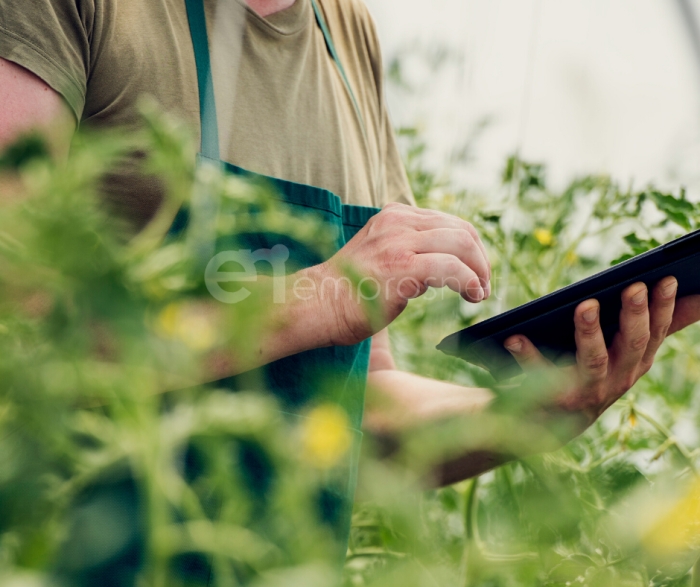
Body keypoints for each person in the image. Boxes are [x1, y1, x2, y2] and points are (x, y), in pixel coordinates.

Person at [2, 0, 700, 572]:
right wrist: (326, 296)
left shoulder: (345, 31)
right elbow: (22, 341)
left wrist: (537, 412)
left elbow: (362, 410)